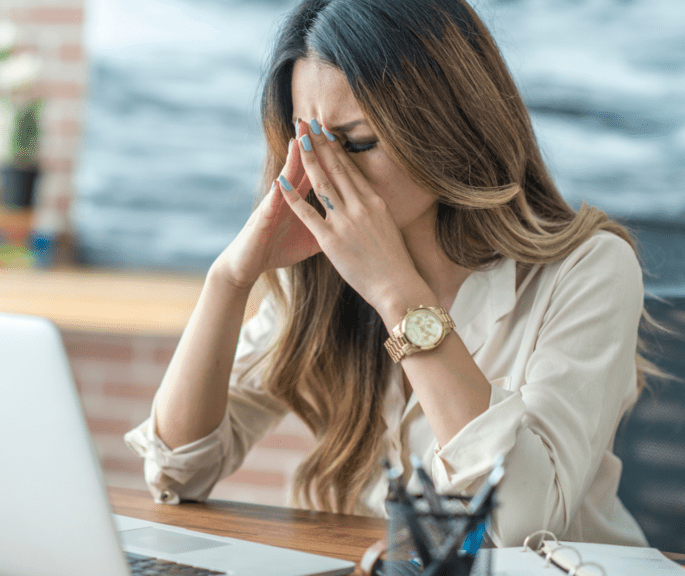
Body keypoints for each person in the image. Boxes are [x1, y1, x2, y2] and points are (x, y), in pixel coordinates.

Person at [125, 0, 650, 548]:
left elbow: (519, 523)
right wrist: (230, 280)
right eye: (311, 145)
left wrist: (396, 295)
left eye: (358, 143)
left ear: (448, 122)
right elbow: (177, 473)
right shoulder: (325, 273)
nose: (330, 173)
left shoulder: (589, 269)